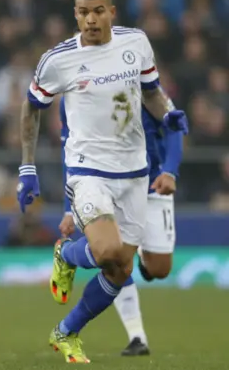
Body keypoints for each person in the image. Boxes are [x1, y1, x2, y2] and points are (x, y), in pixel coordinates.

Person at [17, 0, 188, 363]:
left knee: (120, 267)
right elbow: (31, 108)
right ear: (74, 13)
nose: (90, 20)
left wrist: (169, 115)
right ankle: (69, 254)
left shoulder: (135, 43)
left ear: (111, 11)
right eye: (82, 12)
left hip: (135, 172)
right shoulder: (57, 60)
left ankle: (66, 330)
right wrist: (27, 166)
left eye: (97, 11)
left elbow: (151, 93)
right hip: (88, 172)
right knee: (107, 250)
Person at [58, 96, 183, 356]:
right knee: (115, 258)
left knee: (159, 269)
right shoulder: (75, 93)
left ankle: (75, 252)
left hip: (152, 181)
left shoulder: (146, 89)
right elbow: (68, 148)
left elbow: (175, 125)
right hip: (105, 182)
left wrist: (170, 170)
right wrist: (68, 208)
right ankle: (136, 336)